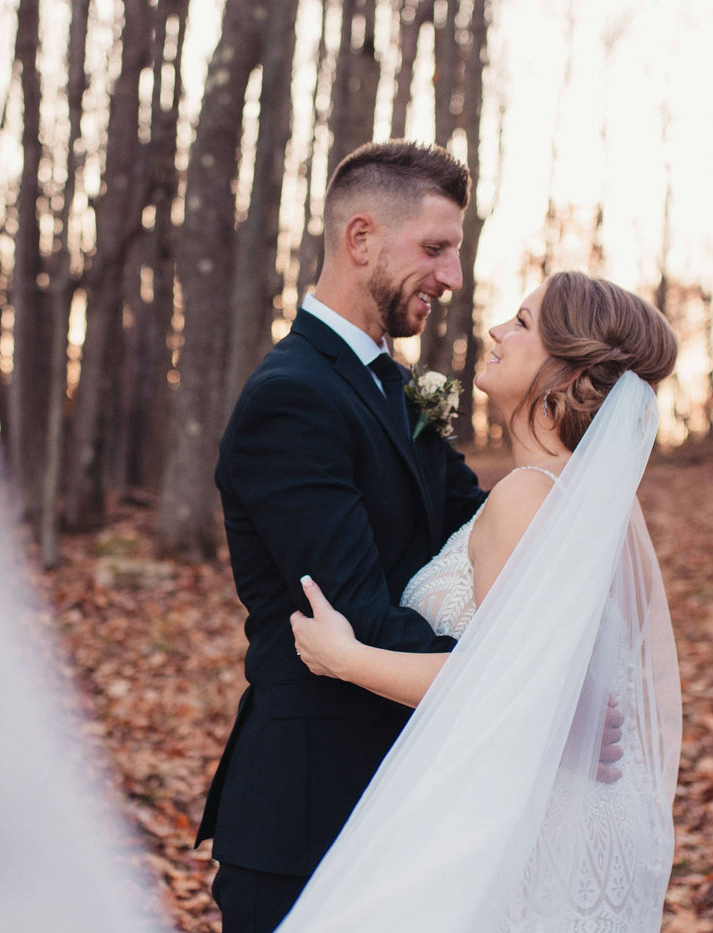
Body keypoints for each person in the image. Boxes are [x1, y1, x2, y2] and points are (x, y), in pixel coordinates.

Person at [281, 270, 682, 932]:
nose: (497, 330)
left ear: (562, 372)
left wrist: (345, 657)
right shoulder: (595, 510)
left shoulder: (526, 497)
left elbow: (504, 688)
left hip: (518, 829)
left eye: (522, 323)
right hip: (566, 816)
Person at [195, 141, 490, 933]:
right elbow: (353, 613)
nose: (453, 277)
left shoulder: (398, 384)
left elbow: (480, 526)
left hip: (402, 795)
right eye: (435, 248)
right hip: (309, 818)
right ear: (361, 239)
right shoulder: (290, 399)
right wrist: (516, 686)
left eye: (454, 252)